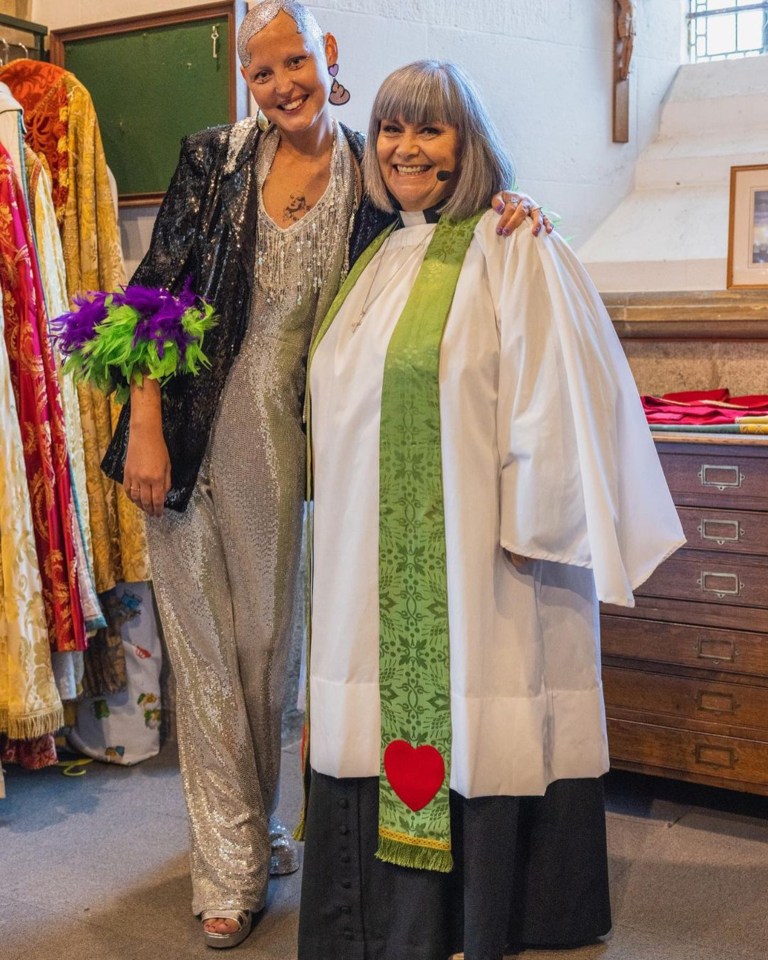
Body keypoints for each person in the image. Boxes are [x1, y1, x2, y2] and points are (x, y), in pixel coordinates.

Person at [99, 2, 549, 949]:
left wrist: (517, 204)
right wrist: (144, 422)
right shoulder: (212, 159)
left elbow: (443, 217)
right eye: (263, 74)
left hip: (285, 448)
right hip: (181, 438)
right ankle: (227, 870)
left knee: (267, 658)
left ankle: (261, 830)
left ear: (326, 54)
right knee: (206, 659)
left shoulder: (369, 172)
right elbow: (153, 290)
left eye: (296, 62)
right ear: (246, 83)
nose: (283, 85)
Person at [299, 59, 685, 960]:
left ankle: (484, 915)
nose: (405, 148)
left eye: (430, 129)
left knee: (481, 710)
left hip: (480, 563)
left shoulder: (519, 246)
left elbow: (555, 397)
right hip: (371, 560)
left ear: (468, 143)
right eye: (392, 129)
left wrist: (533, 525)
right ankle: (388, 920)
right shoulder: (377, 255)